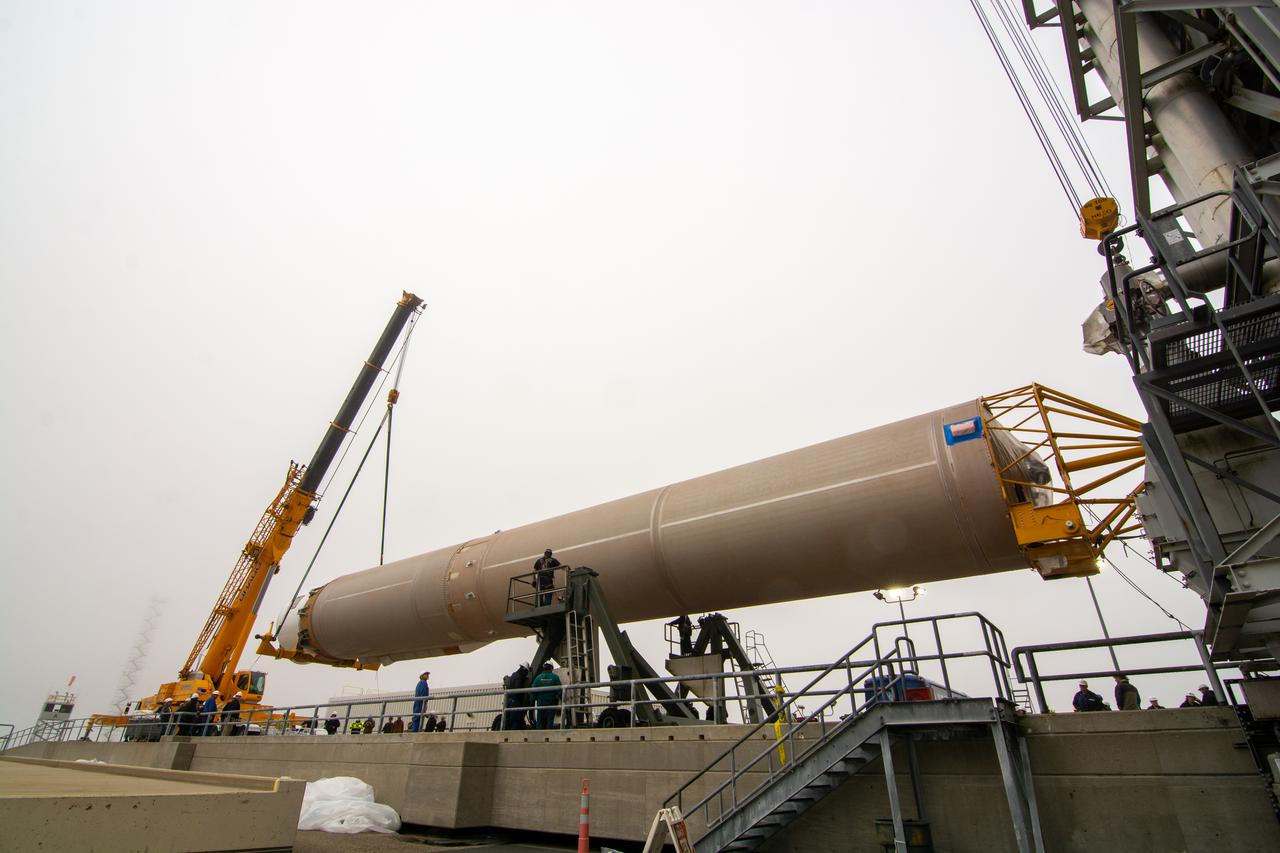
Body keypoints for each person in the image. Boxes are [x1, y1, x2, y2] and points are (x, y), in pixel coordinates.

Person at [531, 662, 563, 730]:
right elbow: (560, 691)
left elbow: (533, 691)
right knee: (549, 720)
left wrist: (533, 699)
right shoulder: (555, 677)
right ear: (551, 668)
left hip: (541, 703)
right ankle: (548, 736)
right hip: (551, 702)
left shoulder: (538, 678)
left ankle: (539, 736)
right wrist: (562, 700)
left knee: (539, 720)